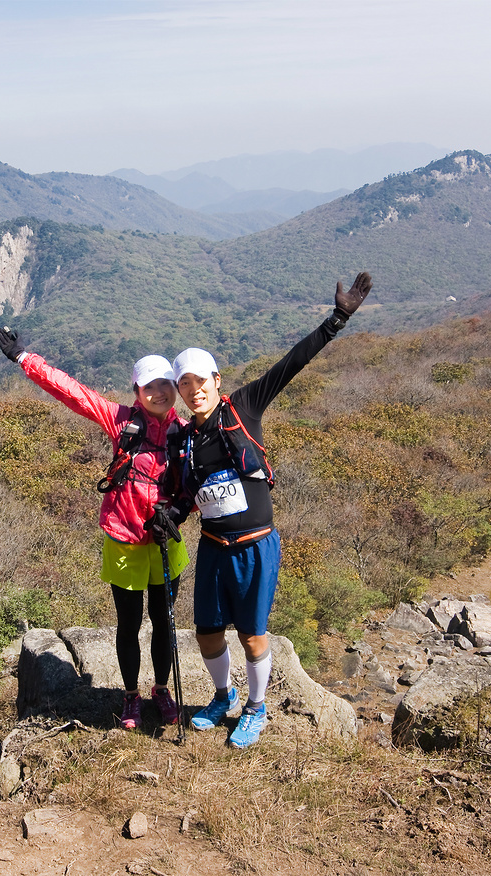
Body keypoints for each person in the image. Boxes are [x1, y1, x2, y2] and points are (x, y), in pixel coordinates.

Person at [169, 272, 373, 749]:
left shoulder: (243, 406)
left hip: (256, 546)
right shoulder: (185, 438)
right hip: (214, 547)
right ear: (179, 391)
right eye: (185, 385)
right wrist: (169, 516)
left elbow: (290, 364)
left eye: (201, 382)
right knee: (206, 633)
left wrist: (337, 319)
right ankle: (223, 696)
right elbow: (182, 493)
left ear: (216, 381)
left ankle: (256, 709)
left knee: (254, 638)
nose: (194, 390)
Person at [0, 327, 190, 731]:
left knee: (164, 618)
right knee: (129, 623)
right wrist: (23, 358)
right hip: (123, 537)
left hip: (163, 539)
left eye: (166, 384)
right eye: (149, 386)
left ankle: (161, 689)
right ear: (136, 391)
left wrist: (178, 512)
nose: (159, 392)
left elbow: (199, 479)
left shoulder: (184, 433)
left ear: (175, 387)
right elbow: (72, 391)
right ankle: (131, 696)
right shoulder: (121, 421)